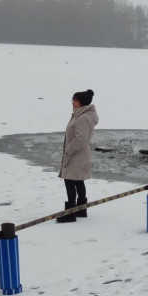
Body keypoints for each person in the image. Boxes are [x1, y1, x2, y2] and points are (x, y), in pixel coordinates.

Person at [57, 89, 98, 223]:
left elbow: (81, 139)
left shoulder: (83, 118)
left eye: (74, 100)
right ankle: (81, 209)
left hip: (76, 155)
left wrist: (68, 149)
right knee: (78, 181)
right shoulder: (80, 115)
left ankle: (71, 213)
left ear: (81, 102)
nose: (72, 102)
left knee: (70, 181)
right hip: (78, 154)